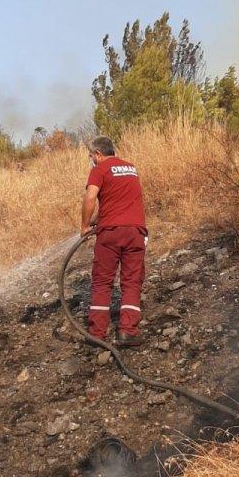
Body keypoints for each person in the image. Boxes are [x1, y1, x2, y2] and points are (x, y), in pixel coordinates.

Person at [81, 135, 147, 346]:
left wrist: (84, 225)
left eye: (91, 155)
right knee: (132, 281)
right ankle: (128, 331)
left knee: (102, 281)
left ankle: (97, 333)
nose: (91, 159)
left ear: (98, 154)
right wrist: (95, 220)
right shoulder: (131, 168)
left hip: (110, 234)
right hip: (136, 231)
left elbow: (91, 197)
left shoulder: (99, 170)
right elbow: (119, 202)